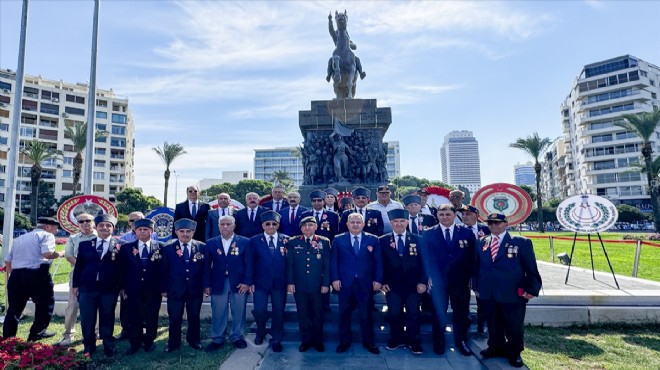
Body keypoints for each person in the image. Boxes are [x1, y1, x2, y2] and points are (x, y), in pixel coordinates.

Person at [474, 213, 542, 368]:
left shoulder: (521, 242)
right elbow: (477, 267)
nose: (493, 226)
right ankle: (495, 347)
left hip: (512, 292)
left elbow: (531, 267)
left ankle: (514, 352)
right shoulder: (481, 242)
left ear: (506, 224)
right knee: (493, 323)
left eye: (498, 223)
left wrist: (532, 288)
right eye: (490, 223)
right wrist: (476, 286)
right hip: (488, 292)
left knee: (514, 324)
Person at [420, 204, 475, 356]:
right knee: (438, 312)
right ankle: (439, 342)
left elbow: (472, 257)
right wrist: (427, 278)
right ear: (437, 216)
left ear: (454, 215)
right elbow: (425, 258)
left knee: (461, 312)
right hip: (438, 280)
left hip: (461, 280)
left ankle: (461, 341)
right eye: (441, 214)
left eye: (448, 214)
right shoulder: (428, 233)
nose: (444, 217)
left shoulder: (466, 233)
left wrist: (471, 277)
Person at [331, 213, 382, 355]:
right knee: (344, 314)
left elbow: (378, 262)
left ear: (363, 224)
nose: (355, 225)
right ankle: (344, 342)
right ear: (347, 224)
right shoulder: (338, 239)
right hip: (345, 283)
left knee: (366, 314)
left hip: (365, 283)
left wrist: (378, 279)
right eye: (352, 222)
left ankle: (369, 342)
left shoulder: (373, 239)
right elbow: (334, 261)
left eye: (358, 222)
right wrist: (335, 279)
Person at [72, 214, 122, 357]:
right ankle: (89, 345)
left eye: (108, 225)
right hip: (87, 288)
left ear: (113, 228)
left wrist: (120, 286)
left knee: (107, 317)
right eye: (101, 225)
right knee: (87, 318)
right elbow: (79, 266)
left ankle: (108, 344)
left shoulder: (119, 246)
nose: (104, 228)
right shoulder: (85, 245)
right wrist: (75, 285)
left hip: (109, 289)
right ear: (96, 227)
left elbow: (122, 269)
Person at [3, 217, 60, 341]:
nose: (56, 232)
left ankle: (8, 338)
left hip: (17, 275)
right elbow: (47, 254)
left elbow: (8, 260)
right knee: (45, 304)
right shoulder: (47, 235)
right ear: (47, 227)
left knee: (14, 308)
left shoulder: (19, 239)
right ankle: (37, 333)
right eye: (55, 228)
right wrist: (60, 254)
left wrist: (15, 274)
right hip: (38, 274)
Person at [379, 209, 426, 355]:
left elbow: (425, 263)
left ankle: (414, 341)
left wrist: (423, 281)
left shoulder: (418, 239)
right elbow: (380, 263)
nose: (399, 224)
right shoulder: (383, 240)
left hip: (413, 284)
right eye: (395, 221)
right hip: (392, 285)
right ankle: (396, 339)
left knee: (413, 312)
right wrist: (383, 281)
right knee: (394, 312)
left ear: (407, 222)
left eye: (401, 221)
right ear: (391, 223)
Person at [204, 215, 252, 352]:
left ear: (234, 226)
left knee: (239, 310)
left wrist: (247, 282)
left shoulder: (244, 242)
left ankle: (237, 336)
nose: (225, 227)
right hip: (218, 282)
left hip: (239, 283)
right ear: (218, 226)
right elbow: (207, 266)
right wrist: (207, 285)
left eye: (228, 224)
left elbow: (249, 264)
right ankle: (218, 338)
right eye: (222, 224)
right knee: (218, 311)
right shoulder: (211, 243)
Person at [160, 218, 208, 353]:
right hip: (175, 289)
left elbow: (206, 269)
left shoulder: (202, 247)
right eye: (182, 231)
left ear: (193, 232)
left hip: (195, 289)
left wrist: (206, 285)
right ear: (176, 232)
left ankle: (194, 340)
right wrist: (163, 288)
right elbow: (164, 270)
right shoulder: (168, 248)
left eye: (189, 231)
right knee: (175, 318)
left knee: (194, 317)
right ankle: (173, 342)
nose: (185, 234)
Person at [286, 216, 331, 353]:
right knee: (303, 314)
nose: (307, 228)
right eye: (305, 226)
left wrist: (325, 284)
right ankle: (305, 341)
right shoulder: (293, 242)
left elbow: (327, 265)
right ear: (300, 228)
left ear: (316, 227)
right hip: (299, 286)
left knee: (318, 313)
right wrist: (290, 283)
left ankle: (317, 341)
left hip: (317, 285)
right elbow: (290, 265)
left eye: (311, 225)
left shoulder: (324, 241)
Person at [119, 218, 163, 354]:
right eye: (140, 229)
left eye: (146, 229)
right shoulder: (127, 248)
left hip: (153, 289)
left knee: (151, 316)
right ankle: (135, 343)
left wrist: (163, 287)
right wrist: (122, 288)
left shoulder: (161, 247)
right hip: (133, 289)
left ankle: (149, 342)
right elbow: (122, 269)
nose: (143, 232)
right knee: (134, 316)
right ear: (135, 231)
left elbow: (164, 269)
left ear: (152, 231)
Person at [249, 211, 289, 352]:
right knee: (259, 310)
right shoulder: (254, 240)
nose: (271, 226)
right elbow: (250, 263)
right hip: (260, 283)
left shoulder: (286, 240)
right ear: (262, 225)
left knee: (278, 311)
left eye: (274, 223)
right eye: (268, 224)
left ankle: (276, 338)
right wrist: (250, 281)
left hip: (280, 282)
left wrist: (289, 282)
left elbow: (290, 263)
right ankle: (261, 332)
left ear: (278, 225)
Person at [58, 213, 97, 346]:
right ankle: (68, 334)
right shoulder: (73, 238)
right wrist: (83, 268)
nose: (85, 223)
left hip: (97, 275)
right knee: (73, 304)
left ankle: (96, 332)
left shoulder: (100, 236)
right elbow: (68, 255)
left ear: (93, 222)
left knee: (96, 304)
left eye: (88, 220)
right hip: (78, 274)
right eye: (81, 221)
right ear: (78, 223)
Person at [461, 205, 491, 334]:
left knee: (482, 298)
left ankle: (481, 324)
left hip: (481, 270)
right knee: (463, 298)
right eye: (463, 214)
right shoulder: (458, 230)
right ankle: (465, 320)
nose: (464, 216)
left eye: (468, 214)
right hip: (463, 270)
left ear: (476, 215)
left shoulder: (486, 229)